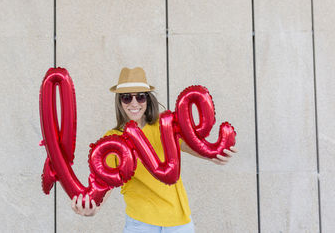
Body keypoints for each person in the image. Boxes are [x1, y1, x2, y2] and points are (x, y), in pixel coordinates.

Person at [71, 67, 237, 232]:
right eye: (127, 98)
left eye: (141, 97)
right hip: (141, 224)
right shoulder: (113, 140)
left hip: (179, 223)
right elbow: (105, 184)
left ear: (148, 99)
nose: (134, 103)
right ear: (120, 102)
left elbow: (197, 147)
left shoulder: (165, 127)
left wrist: (217, 154)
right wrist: (93, 208)